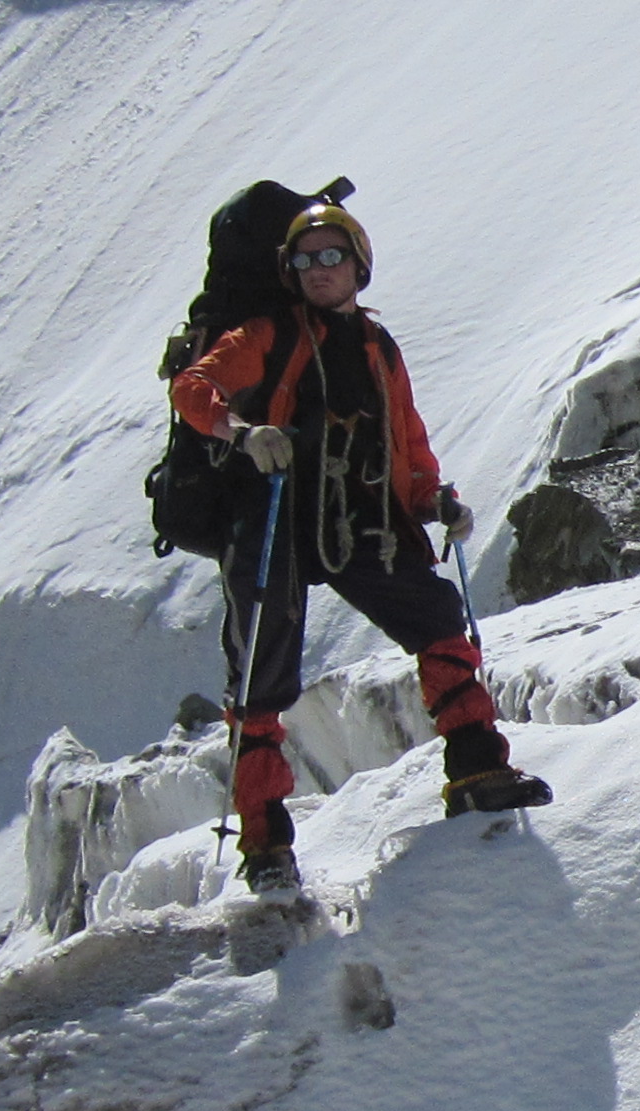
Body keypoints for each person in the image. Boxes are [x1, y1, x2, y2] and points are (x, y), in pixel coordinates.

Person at [170, 200, 547, 892]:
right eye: (307, 259)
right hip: (275, 514)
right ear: (291, 270)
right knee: (262, 679)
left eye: (331, 256)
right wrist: (239, 431)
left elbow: (405, 442)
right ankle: (266, 846)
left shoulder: (379, 349)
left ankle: (477, 768)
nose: (320, 269)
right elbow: (193, 387)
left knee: (438, 624)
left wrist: (431, 499)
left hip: (357, 516)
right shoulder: (266, 334)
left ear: (357, 265)